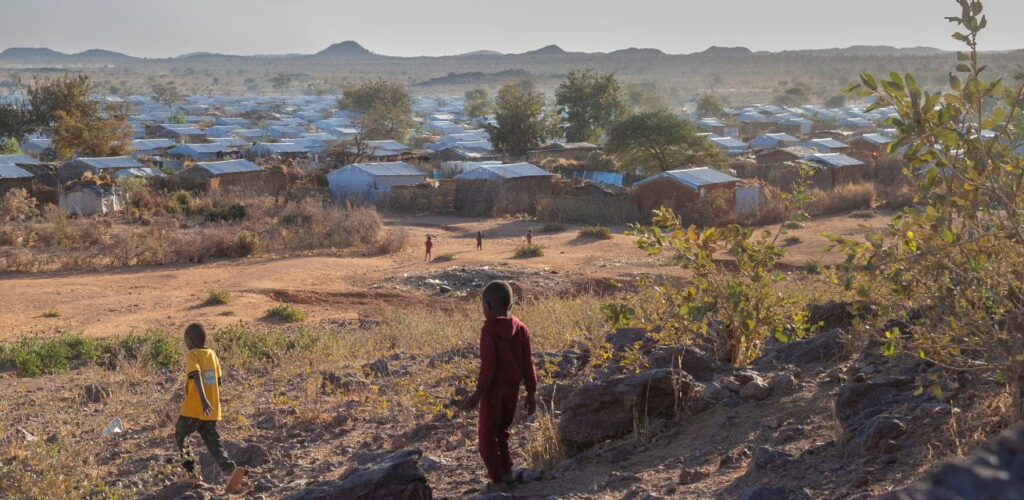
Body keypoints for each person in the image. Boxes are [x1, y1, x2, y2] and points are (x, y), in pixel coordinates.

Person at [463, 281, 538, 486]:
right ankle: (507, 474)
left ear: (488, 306)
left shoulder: (489, 330)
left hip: (494, 391)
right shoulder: (522, 329)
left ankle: (497, 480)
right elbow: (527, 362)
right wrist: (531, 392)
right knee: (502, 433)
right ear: (510, 305)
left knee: (487, 438)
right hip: (513, 391)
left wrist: (477, 394)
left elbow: (489, 365)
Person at [175, 323, 246, 493]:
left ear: (190, 340)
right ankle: (229, 470)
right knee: (213, 441)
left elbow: (196, 376)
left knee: (180, 434)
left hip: (194, 408)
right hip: (212, 409)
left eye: (186, 340)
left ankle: (191, 472)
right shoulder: (212, 354)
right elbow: (217, 380)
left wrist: (203, 400)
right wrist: (210, 400)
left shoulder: (192, 355)